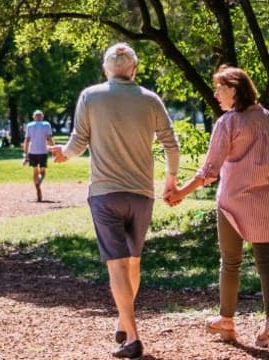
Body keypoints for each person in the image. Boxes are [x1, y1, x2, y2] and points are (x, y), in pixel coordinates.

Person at [48, 43, 184, 358]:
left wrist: (64, 155)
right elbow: (171, 145)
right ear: (133, 69)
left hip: (105, 194)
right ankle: (124, 320)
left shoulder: (90, 96)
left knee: (117, 267)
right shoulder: (151, 100)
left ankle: (133, 337)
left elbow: (78, 141)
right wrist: (171, 181)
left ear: (105, 69)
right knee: (133, 262)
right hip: (141, 194)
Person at [164, 65, 269, 351]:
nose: (216, 93)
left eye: (220, 88)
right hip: (265, 201)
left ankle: (227, 321)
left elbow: (209, 170)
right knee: (266, 264)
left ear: (234, 89)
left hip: (232, 202)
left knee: (230, 262)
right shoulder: (268, 118)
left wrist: (180, 192)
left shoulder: (228, 123)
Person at [23, 110, 56, 202]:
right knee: (43, 171)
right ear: (42, 116)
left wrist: (25, 154)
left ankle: (37, 189)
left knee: (35, 170)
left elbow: (27, 140)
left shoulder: (29, 125)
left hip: (32, 151)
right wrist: (53, 149)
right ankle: (39, 183)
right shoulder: (46, 125)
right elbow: (49, 138)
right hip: (43, 151)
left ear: (34, 117)